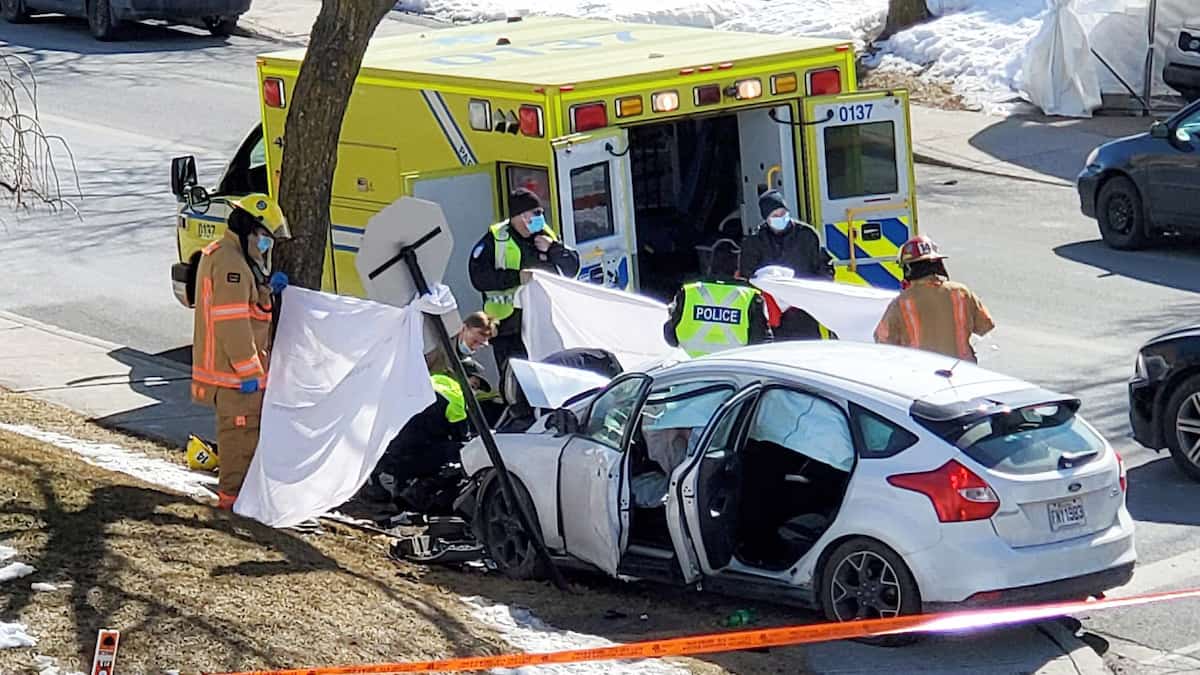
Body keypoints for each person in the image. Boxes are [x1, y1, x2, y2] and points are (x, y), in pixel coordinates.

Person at [190, 194, 289, 510]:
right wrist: (249, 371)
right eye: (264, 237)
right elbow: (232, 324)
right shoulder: (230, 263)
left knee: (246, 438)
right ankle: (232, 502)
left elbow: (250, 306)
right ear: (249, 229)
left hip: (238, 373)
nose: (266, 244)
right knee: (238, 441)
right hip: (232, 375)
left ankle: (242, 499)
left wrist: (267, 291)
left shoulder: (235, 257)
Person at [468, 188, 580, 374]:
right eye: (536, 212)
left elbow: (572, 268)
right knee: (516, 381)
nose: (541, 217)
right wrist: (516, 277)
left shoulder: (545, 235)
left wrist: (553, 248)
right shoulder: (495, 240)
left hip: (545, 325)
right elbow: (479, 278)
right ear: (521, 215)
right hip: (509, 329)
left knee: (551, 375)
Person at [874, 235, 995, 362]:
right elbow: (986, 325)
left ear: (908, 269)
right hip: (962, 368)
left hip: (922, 369)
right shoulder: (961, 292)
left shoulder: (901, 303)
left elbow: (882, 340)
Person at [739, 190, 835, 339]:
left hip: (804, 311)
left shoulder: (807, 235)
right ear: (766, 218)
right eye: (775, 215)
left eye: (783, 213)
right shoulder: (755, 242)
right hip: (770, 317)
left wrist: (816, 293)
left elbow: (824, 267)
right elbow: (747, 277)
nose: (780, 218)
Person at [664, 239, 772, 357]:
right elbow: (760, 343)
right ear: (737, 272)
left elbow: (671, 338)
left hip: (693, 364)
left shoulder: (688, 292)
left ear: (709, 267)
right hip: (734, 365)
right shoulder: (750, 297)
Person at [424, 311, 499, 376]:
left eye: (481, 344)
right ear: (464, 328)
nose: (475, 347)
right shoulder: (437, 344)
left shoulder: (469, 365)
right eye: (474, 341)